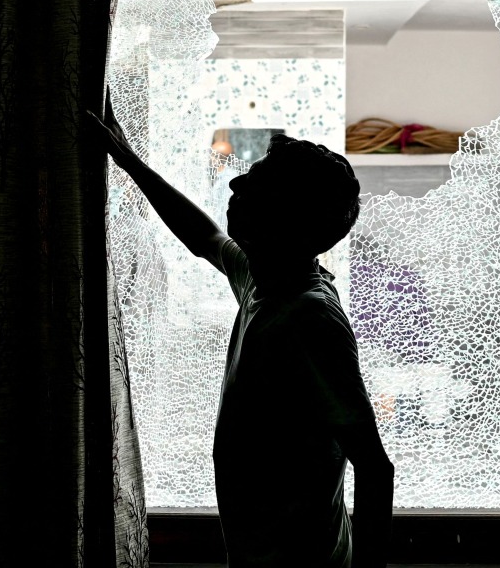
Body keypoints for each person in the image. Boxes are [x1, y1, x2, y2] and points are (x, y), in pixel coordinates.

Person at [87, 89, 395, 568]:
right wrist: (127, 160)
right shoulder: (266, 275)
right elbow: (204, 236)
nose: (234, 188)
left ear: (284, 218)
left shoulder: (308, 317)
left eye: (254, 183)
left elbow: (374, 467)